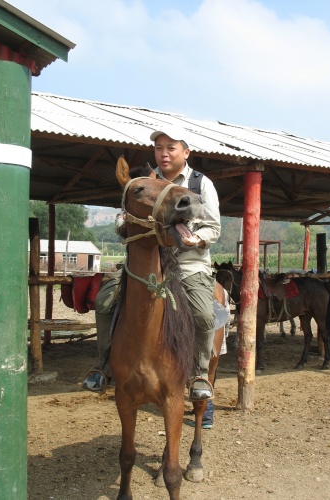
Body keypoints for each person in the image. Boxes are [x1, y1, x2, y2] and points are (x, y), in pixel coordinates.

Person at [83, 125, 221, 401]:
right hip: (148, 263)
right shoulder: (146, 181)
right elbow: (124, 215)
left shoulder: (199, 183)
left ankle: (199, 374)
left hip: (188, 264)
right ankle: (104, 366)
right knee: (105, 301)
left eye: (171, 148)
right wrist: (123, 225)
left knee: (204, 315)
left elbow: (213, 227)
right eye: (159, 148)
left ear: (186, 151)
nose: (164, 154)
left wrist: (194, 239)